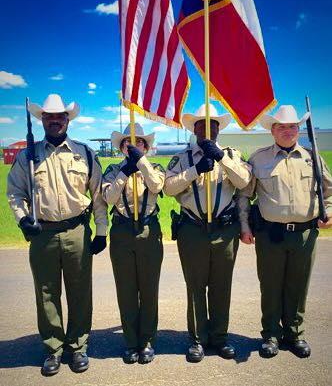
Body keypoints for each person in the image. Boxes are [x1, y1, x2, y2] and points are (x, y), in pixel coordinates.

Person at [7, 94, 108, 376]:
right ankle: (53, 348)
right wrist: (23, 219)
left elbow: (98, 196)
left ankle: (77, 347)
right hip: (43, 234)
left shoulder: (84, 153)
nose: (54, 120)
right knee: (46, 293)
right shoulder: (27, 156)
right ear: (42, 120)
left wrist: (101, 231)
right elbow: (15, 193)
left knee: (80, 292)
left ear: (67, 119)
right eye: (49, 116)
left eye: (59, 116)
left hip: (77, 230)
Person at [238, 105, 332, 358]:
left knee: (298, 286)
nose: (287, 131)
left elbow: (328, 191)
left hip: (305, 234)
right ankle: (270, 335)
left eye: (292, 126)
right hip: (270, 235)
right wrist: (245, 227)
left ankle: (294, 334)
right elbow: (245, 196)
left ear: (299, 129)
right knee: (270, 286)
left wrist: (330, 211)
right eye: (281, 126)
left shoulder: (313, 158)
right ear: (272, 130)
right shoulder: (259, 159)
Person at [164, 104, 252, 362]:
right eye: (201, 124)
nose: (207, 129)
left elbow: (244, 181)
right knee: (195, 287)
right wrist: (194, 171)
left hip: (225, 230)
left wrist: (221, 158)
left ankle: (220, 338)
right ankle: (197, 339)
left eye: (212, 124)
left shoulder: (232, 155)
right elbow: (169, 188)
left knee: (221, 287)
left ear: (218, 128)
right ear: (194, 129)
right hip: (192, 229)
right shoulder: (183, 158)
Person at [102, 123, 165, 364]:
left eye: (139, 142)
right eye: (128, 143)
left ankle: (147, 340)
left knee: (149, 289)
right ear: (121, 147)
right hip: (121, 231)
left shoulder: (155, 167)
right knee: (126, 290)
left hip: (149, 230)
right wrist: (125, 172)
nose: (133, 146)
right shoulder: (112, 170)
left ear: (146, 147)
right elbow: (108, 198)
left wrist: (141, 164)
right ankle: (130, 341)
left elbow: (157, 186)